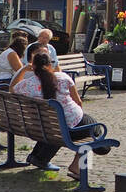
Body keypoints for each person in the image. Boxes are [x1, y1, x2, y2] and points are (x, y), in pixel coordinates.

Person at [14, 49, 104, 179]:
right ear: (50, 65)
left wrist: (23, 70)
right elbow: (78, 101)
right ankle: (78, 168)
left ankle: (39, 157)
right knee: (95, 131)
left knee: (78, 128)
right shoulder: (63, 77)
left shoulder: (28, 84)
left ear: (33, 67)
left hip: (48, 128)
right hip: (71, 125)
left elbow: (12, 88)